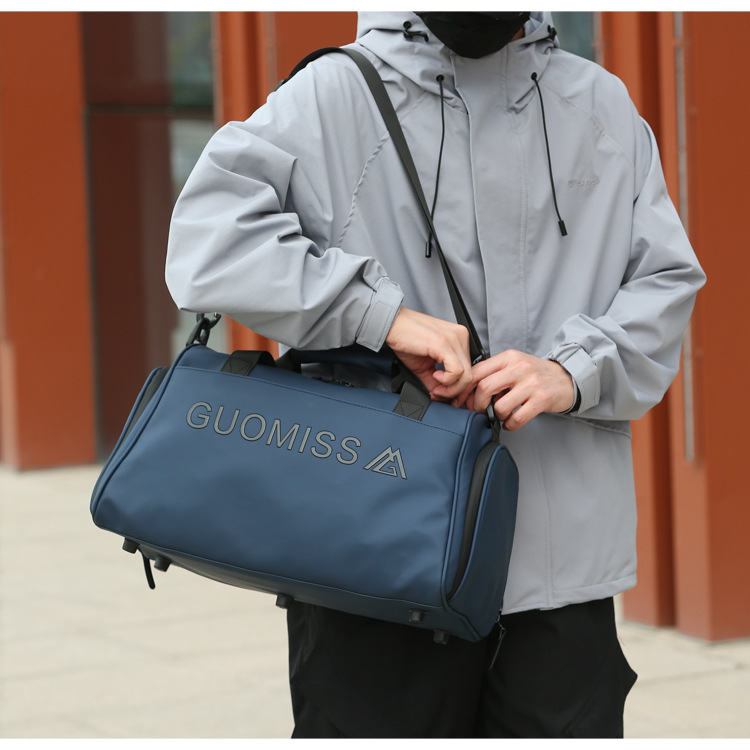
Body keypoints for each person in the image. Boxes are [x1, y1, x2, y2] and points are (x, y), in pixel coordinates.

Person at [165, 11, 706, 738]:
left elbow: (665, 280)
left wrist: (573, 370)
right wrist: (380, 315)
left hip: (561, 564)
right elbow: (208, 243)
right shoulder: (335, 94)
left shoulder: (597, 103)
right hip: (374, 556)